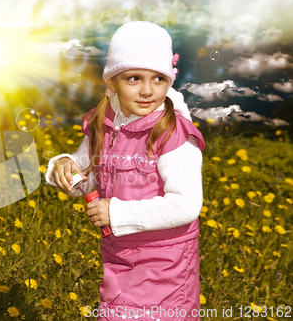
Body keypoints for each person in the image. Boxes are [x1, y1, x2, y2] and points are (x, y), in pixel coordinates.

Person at [45, 21, 205, 321]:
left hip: (165, 262)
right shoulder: (103, 123)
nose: (147, 90)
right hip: (119, 256)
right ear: (112, 82)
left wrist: (117, 215)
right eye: (134, 78)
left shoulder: (173, 134)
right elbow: (86, 173)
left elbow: (186, 205)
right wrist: (64, 167)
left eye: (158, 78)